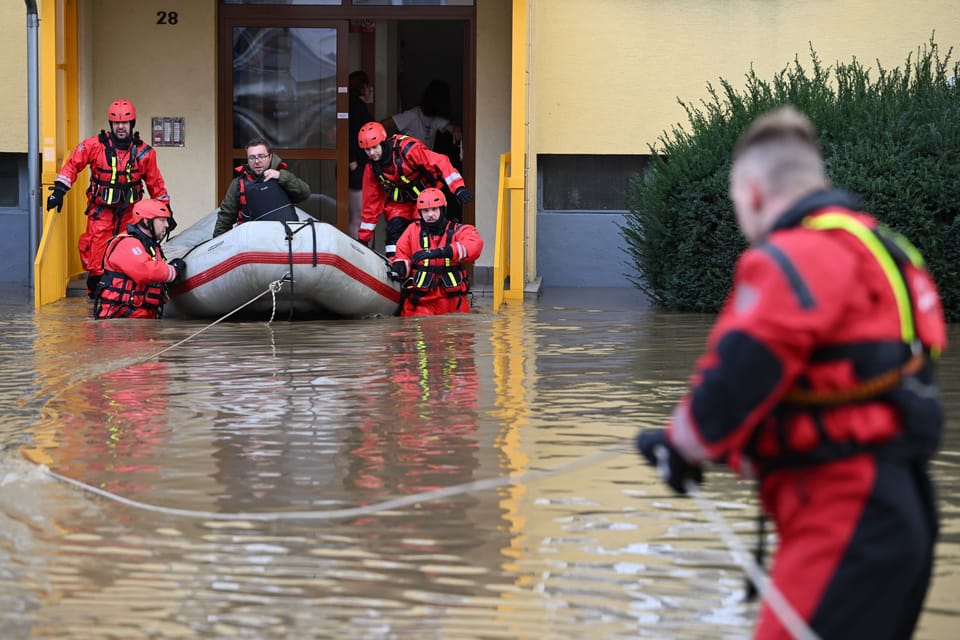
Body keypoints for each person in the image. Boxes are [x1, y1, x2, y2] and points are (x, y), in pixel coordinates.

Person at [636, 106, 945, 640]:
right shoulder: (887, 251)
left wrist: (680, 445)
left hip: (843, 514)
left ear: (753, 192)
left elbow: (741, 370)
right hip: (905, 508)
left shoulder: (794, 255)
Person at [46, 99, 170, 297]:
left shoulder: (145, 153)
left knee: (130, 252)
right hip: (100, 212)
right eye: (116, 123)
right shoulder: (93, 146)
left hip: (131, 215)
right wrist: (59, 191)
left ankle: (125, 297)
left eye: (125, 123)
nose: (120, 127)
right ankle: (96, 301)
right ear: (111, 124)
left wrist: (165, 214)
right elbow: (72, 165)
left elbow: (156, 185)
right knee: (96, 259)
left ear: (132, 124)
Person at [357, 121, 472, 259]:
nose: (372, 153)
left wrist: (458, 188)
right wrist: (364, 238)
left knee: (423, 233)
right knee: (394, 232)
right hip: (399, 203)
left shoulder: (407, 149)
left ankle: (423, 268)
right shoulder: (372, 169)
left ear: (382, 142)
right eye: (367, 150)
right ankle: (396, 268)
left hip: (426, 199)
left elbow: (440, 161)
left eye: (374, 147)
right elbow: (371, 204)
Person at [391, 188, 482, 316]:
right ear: (420, 212)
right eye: (426, 211)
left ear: (443, 209)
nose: (430, 215)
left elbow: (474, 246)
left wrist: (440, 252)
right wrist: (400, 265)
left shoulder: (460, 230)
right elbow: (401, 254)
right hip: (420, 303)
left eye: (434, 209)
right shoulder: (412, 230)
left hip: (453, 303)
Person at [94, 198, 186, 319]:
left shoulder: (151, 246)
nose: (167, 225)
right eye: (162, 220)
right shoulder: (128, 243)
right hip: (121, 318)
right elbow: (146, 271)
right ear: (146, 222)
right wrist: (173, 271)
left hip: (142, 316)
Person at [212, 138, 312, 238]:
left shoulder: (282, 177)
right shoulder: (238, 183)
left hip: (285, 239)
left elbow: (304, 193)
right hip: (253, 242)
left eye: (261, 156)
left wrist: (281, 176)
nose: (257, 161)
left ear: (270, 157)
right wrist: (217, 244)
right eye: (252, 157)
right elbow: (225, 217)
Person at [382, 79, 462, 152]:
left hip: (424, 160)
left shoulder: (436, 118)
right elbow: (385, 124)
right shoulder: (412, 115)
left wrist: (457, 130)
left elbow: (452, 127)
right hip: (408, 161)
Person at [348, 71, 377, 240]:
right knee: (359, 217)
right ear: (363, 87)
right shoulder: (356, 106)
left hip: (356, 166)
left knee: (358, 217)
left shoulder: (350, 104)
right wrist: (352, 162)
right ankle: (358, 257)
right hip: (357, 167)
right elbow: (348, 135)